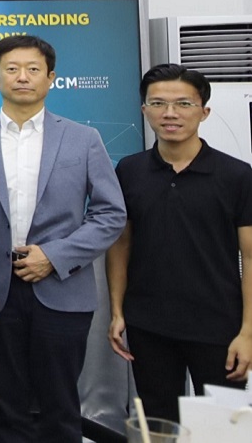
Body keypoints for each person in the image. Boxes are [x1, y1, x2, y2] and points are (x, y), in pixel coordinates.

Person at [0, 35, 125, 443]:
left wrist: (54, 255)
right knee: (6, 404)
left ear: (51, 78)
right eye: (12, 69)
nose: (22, 77)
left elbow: (111, 214)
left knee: (60, 404)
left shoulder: (84, 139)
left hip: (62, 287)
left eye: (33, 69)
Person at [106, 64, 252, 422]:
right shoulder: (129, 170)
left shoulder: (236, 175)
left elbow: (250, 256)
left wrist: (248, 331)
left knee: (221, 426)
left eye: (183, 104)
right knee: (158, 423)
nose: (169, 113)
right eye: (158, 103)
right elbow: (120, 245)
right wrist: (117, 311)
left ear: (204, 112)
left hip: (220, 326)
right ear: (144, 111)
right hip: (149, 324)